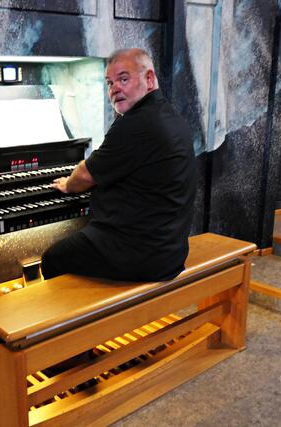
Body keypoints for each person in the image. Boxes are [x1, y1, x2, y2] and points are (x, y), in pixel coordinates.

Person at [41, 48, 197, 282]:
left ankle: (85, 306)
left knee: (52, 259)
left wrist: (67, 184)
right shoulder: (170, 116)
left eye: (123, 79)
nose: (114, 88)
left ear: (149, 79)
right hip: (171, 250)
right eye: (109, 83)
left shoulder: (135, 124)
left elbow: (84, 176)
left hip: (140, 255)